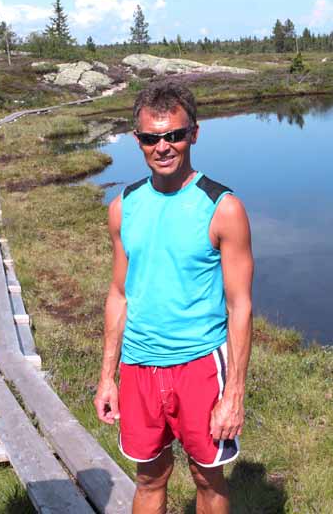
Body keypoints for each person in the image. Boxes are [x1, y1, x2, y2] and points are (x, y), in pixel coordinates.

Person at [93, 80, 253, 513]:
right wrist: (108, 376)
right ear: (138, 141)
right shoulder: (124, 205)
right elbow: (119, 294)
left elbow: (240, 306)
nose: (163, 147)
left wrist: (234, 393)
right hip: (139, 366)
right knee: (149, 477)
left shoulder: (222, 207)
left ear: (194, 134)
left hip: (200, 365)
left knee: (207, 477)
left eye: (175, 135)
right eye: (151, 138)